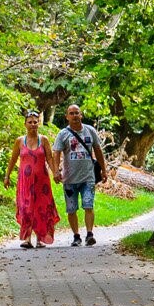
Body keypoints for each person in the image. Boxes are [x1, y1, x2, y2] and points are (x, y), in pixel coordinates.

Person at [4, 111, 60, 249]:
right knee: (26, 208)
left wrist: (55, 172)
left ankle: (41, 238)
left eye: (35, 122)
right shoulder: (19, 141)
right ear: (25, 124)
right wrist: (7, 176)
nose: (33, 124)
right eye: (30, 122)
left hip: (42, 182)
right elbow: (13, 159)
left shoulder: (44, 140)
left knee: (42, 207)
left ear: (39, 123)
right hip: (25, 181)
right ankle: (27, 239)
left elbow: (49, 158)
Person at [55, 103, 107, 246]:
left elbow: (98, 150)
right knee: (71, 209)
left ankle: (89, 234)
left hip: (88, 177)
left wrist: (104, 170)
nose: (74, 116)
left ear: (81, 115)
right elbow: (56, 153)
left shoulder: (90, 131)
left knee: (88, 205)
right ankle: (76, 236)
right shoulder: (63, 134)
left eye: (77, 113)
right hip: (69, 179)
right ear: (67, 117)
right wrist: (56, 170)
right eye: (71, 113)